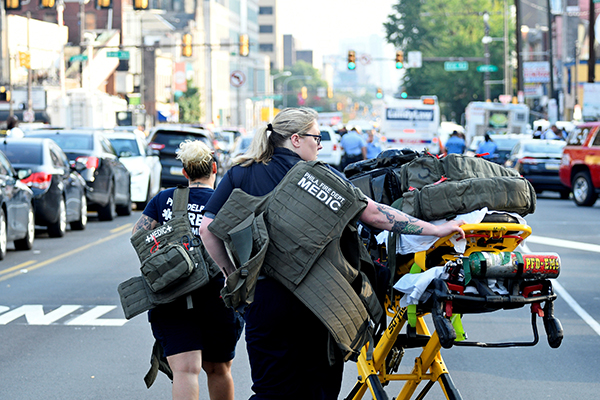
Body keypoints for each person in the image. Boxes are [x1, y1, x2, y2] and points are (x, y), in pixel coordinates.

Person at [199, 107, 465, 400]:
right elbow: (375, 215)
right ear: (296, 139)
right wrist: (437, 230)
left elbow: (208, 229)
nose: (321, 144)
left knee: (270, 390)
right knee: (319, 389)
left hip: (266, 299)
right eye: (317, 136)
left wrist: (231, 274)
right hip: (320, 300)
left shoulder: (241, 172)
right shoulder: (323, 177)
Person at [132, 140, 242, 400]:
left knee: (185, 371)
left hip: (172, 294)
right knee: (218, 370)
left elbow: (138, 236)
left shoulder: (163, 199)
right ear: (214, 168)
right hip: (217, 296)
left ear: (184, 172)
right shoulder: (224, 201)